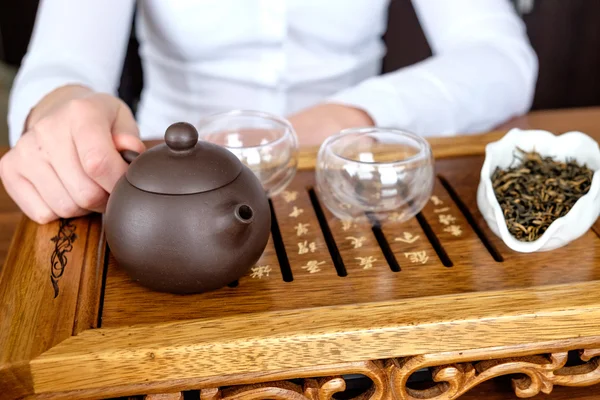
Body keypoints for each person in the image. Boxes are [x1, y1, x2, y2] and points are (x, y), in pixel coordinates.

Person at [2, 0, 537, 224]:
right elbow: (62, 58)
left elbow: (502, 59)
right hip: (167, 182)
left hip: (348, 179)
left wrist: (346, 116)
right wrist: (62, 111)